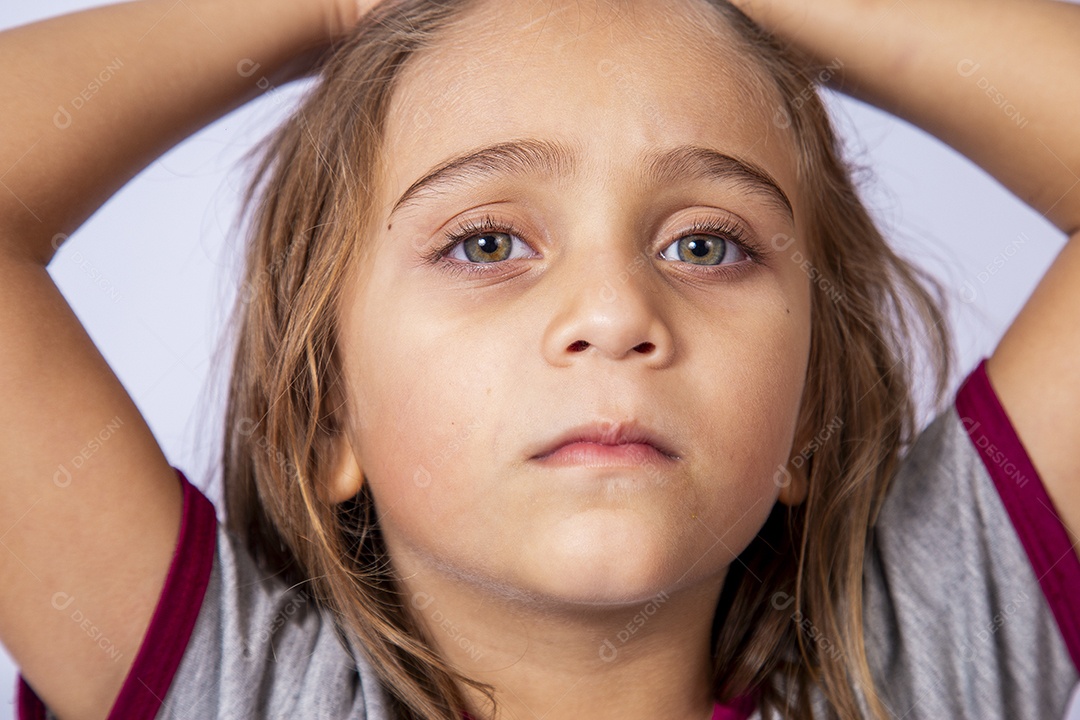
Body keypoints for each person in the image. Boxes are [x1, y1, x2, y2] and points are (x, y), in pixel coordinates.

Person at [1, 0, 1077, 718]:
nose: (613, 313)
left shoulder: (923, 667)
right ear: (329, 414)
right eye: (486, 243)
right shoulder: (237, 693)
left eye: (704, 244)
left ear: (807, 418)